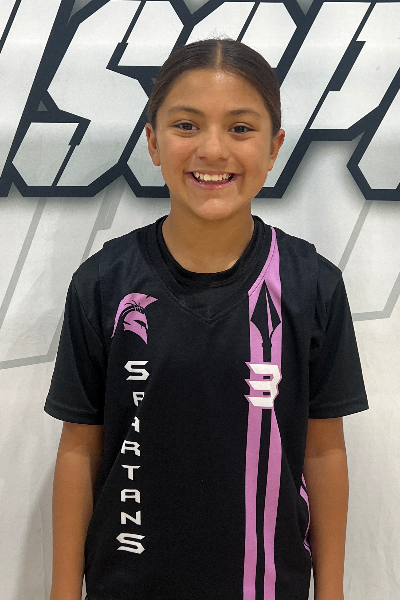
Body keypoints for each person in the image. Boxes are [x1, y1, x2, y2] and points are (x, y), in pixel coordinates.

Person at [45, 38, 368, 600]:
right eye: (186, 125)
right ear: (153, 141)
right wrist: (62, 592)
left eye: (240, 128)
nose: (213, 150)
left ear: (274, 147)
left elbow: (322, 451)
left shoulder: (312, 285)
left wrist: (332, 591)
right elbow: (80, 448)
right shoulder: (104, 283)